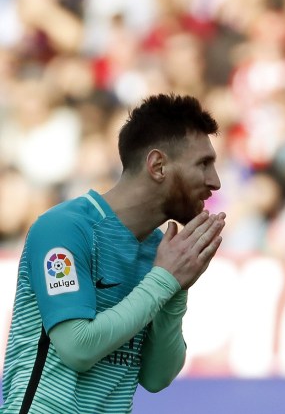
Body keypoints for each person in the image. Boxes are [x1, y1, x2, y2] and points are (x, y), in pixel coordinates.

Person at [0, 93, 226, 413]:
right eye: (204, 164)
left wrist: (176, 288)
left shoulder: (159, 251)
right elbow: (77, 347)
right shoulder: (64, 230)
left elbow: (157, 377)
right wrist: (164, 280)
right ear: (158, 165)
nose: (215, 182)